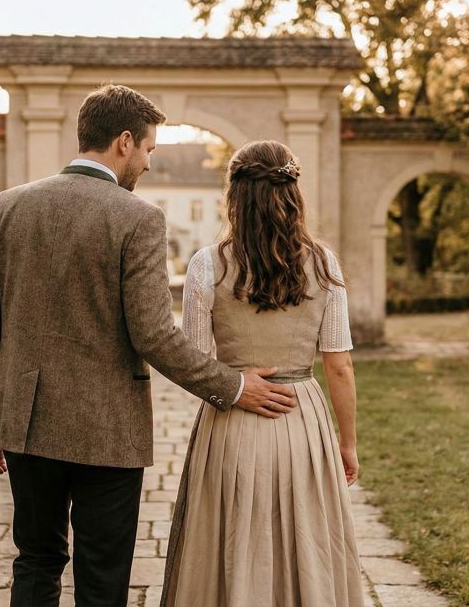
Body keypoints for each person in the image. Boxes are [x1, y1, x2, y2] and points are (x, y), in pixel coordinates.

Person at [0, 85, 298, 607]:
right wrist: (233, 386)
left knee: (36, 559)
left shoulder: (9, 206)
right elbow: (154, 333)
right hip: (107, 428)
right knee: (103, 573)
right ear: (124, 141)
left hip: (23, 421)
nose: (146, 164)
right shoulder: (137, 217)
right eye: (147, 150)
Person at [161, 140, 364, 607]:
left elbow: (194, 359)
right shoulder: (324, 263)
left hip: (231, 418)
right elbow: (339, 363)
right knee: (305, 538)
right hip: (303, 418)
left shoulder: (206, 265)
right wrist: (346, 443)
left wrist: (232, 384)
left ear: (233, 196)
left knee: (232, 536)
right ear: (293, 193)